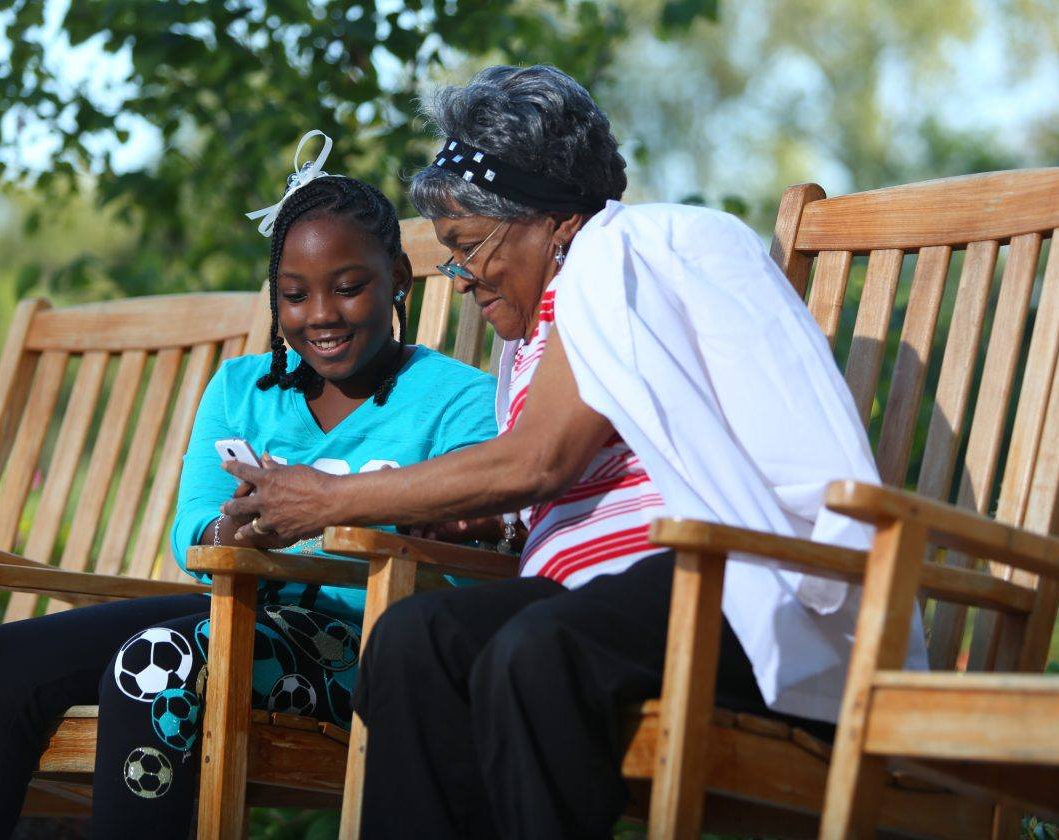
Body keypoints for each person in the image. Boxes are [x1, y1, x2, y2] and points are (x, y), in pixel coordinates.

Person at [221, 66, 928, 838]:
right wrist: (496, 529)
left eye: (467, 248)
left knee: (535, 651)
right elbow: (577, 476)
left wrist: (326, 500)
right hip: (616, 603)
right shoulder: (539, 331)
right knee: (416, 640)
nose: (459, 278)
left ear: (549, 219)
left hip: (745, 592)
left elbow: (540, 460)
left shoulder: (630, 251)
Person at [0, 140, 497, 839]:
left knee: (155, 662)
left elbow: (473, 566)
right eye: (294, 294)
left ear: (397, 276)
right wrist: (237, 530)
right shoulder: (240, 389)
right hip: (232, 611)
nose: (321, 314)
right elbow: (192, 532)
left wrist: (343, 516)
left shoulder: (461, 402)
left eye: (349, 286)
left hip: (366, 648)